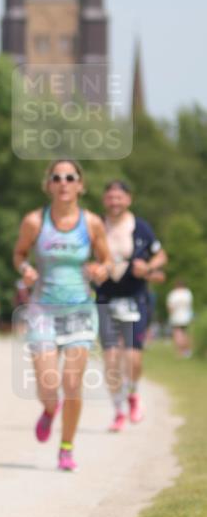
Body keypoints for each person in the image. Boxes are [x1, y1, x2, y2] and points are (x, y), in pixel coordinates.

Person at [13, 159, 111, 472]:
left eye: (70, 177)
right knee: (48, 383)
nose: (64, 182)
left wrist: (101, 270)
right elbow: (19, 254)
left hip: (80, 309)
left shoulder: (92, 223)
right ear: (49, 185)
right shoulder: (34, 221)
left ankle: (66, 447)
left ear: (80, 185)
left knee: (72, 383)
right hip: (43, 309)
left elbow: (106, 259)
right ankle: (48, 409)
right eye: (57, 177)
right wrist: (26, 269)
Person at [95, 180, 167, 430]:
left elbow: (161, 255)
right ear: (105, 200)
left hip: (135, 298)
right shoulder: (96, 226)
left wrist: (148, 267)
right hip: (105, 298)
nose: (114, 202)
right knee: (111, 359)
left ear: (128, 199)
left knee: (133, 358)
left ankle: (133, 394)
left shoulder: (141, 227)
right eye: (110, 197)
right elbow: (83, 258)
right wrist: (92, 269)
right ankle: (118, 410)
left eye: (119, 197)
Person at [166, 280, 193, 358]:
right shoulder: (188, 293)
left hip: (176, 317)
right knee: (185, 334)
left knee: (177, 334)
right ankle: (186, 351)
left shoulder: (173, 294)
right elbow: (189, 305)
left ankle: (179, 352)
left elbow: (170, 307)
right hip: (186, 317)